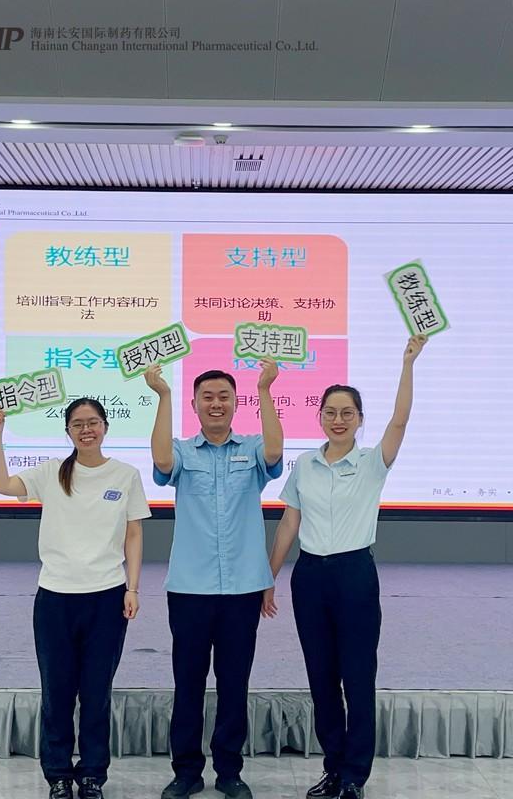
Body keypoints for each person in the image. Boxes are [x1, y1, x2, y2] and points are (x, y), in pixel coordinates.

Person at [262, 335, 428, 799]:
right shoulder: (304, 465)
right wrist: (268, 578)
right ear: (320, 417)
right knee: (321, 678)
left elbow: (400, 419)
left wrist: (408, 363)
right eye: (331, 412)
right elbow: (289, 524)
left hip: (354, 575)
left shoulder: (373, 462)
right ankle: (333, 768)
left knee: (357, 677)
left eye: (347, 413)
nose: (338, 420)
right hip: (310, 577)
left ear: (359, 419)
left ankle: (355, 775)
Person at [0, 397, 151, 799]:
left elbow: (133, 534)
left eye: (93, 422)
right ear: (68, 431)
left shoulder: (125, 475)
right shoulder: (51, 473)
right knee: (56, 693)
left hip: (107, 598)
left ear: (105, 426)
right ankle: (58, 774)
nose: (86, 430)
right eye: (77, 424)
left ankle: (92, 774)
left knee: (96, 694)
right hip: (55, 599)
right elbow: (3, 485)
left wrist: (132, 587)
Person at [144, 360, 284, 799]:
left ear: (236, 403)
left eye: (224, 396)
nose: (216, 403)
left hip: (242, 588)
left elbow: (275, 454)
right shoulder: (183, 452)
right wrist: (163, 395)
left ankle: (229, 771)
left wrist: (265, 389)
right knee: (188, 683)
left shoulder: (253, 449)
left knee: (233, 683)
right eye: (207, 397)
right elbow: (161, 460)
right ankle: (186, 772)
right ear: (195, 405)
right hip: (190, 587)